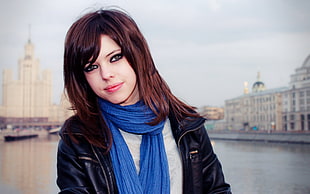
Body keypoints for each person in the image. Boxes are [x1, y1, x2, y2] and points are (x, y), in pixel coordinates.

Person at [57, 8, 231, 194]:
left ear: (138, 54)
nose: (106, 74)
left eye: (115, 58)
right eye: (91, 67)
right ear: (82, 77)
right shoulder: (77, 138)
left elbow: (216, 190)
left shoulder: (187, 126)